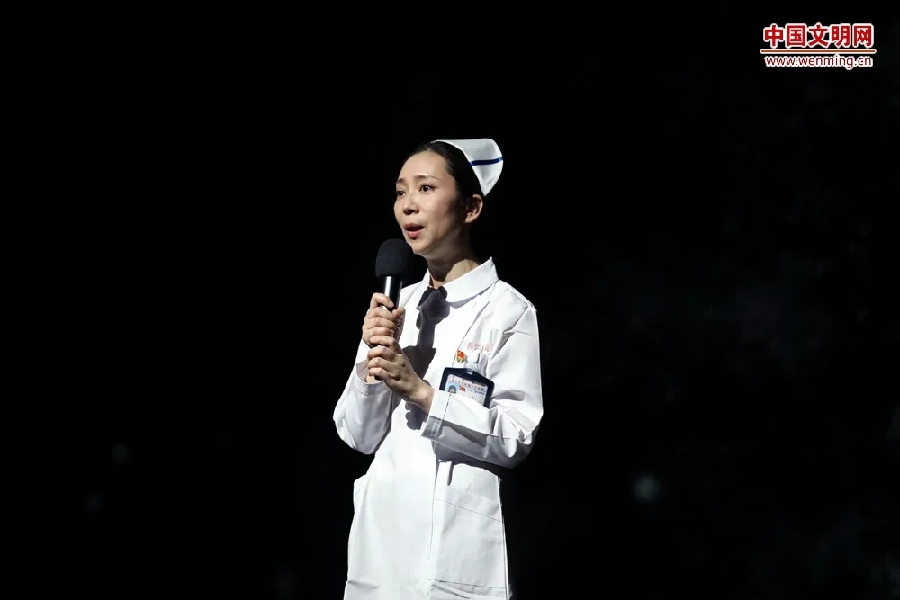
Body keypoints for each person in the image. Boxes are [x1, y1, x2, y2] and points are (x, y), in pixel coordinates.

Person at [333, 138, 544, 600]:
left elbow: (517, 435)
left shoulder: (508, 311)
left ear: (471, 207)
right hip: (380, 557)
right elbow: (357, 435)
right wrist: (372, 362)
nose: (407, 205)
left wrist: (421, 392)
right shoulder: (395, 305)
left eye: (425, 188)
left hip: (455, 558)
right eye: (400, 191)